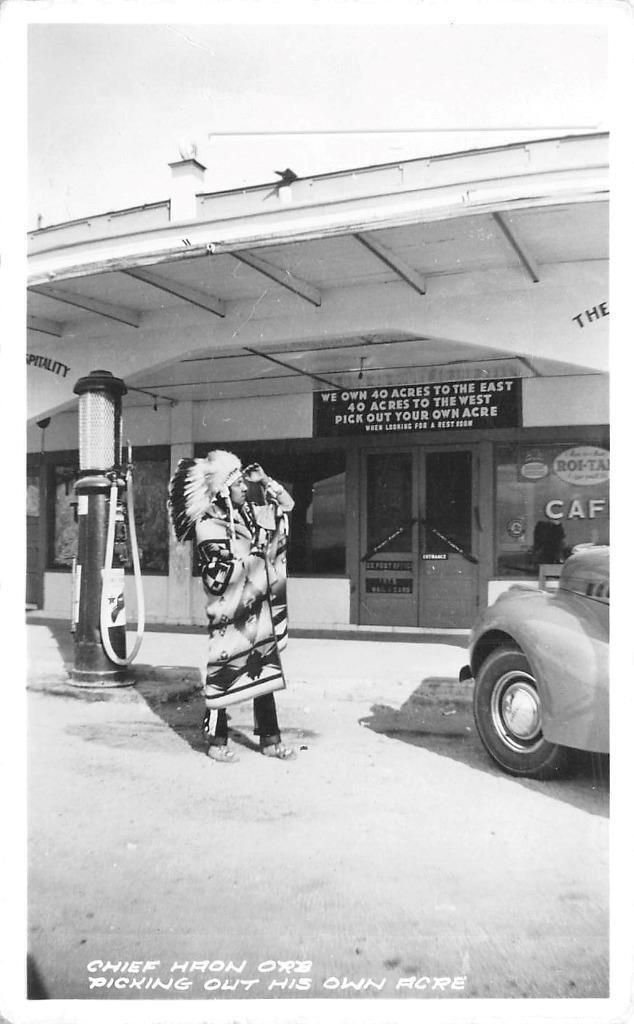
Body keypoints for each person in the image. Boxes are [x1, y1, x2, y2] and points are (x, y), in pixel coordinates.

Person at [167, 449, 296, 762]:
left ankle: (269, 739)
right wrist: (256, 556)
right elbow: (217, 578)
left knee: (261, 667)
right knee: (224, 673)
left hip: (254, 609)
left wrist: (266, 481)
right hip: (228, 613)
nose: (243, 488)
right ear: (223, 490)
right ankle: (215, 739)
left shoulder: (246, 516)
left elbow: (287, 507)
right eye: (238, 483)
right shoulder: (207, 527)